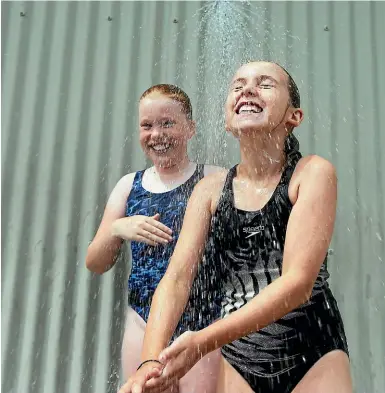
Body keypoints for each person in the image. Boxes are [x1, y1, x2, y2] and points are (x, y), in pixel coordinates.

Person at [119, 61, 353, 393]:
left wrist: (202, 342)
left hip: (313, 351)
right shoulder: (210, 191)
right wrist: (150, 364)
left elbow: (299, 282)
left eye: (266, 84)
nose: (247, 89)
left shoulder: (311, 173)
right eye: (238, 85)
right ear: (229, 121)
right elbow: (176, 280)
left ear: (294, 116)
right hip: (241, 359)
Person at [85, 84, 223, 393]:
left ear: (190, 128)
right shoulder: (128, 186)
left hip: (201, 321)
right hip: (142, 321)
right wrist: (117, 229)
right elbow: (95, 262)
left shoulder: (214, 178)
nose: (156, 133)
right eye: (147, 125)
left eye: (167, 123)